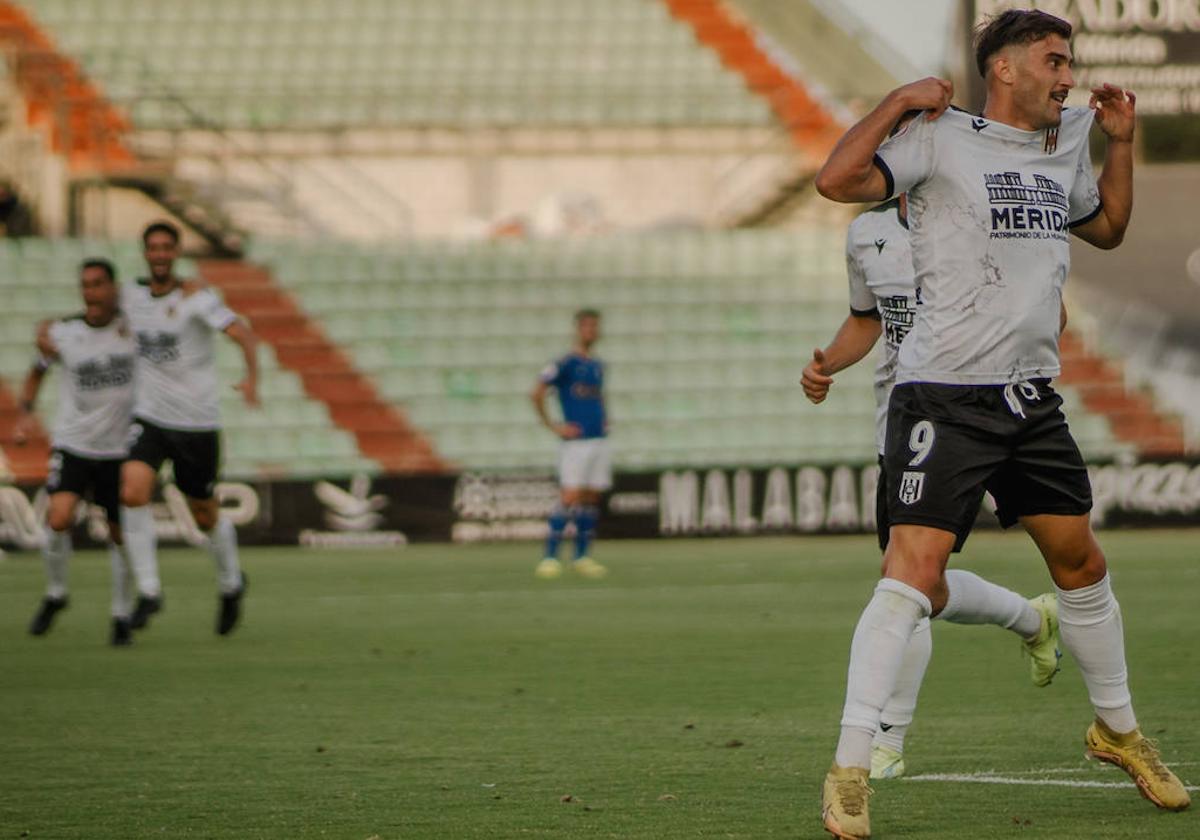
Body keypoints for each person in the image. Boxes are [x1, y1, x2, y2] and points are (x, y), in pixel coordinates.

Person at [812, 9, 1188, 837]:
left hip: (1030, 397)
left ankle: (1116, 731)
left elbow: (1111, 230)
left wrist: (1119, 141)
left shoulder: (1065, 142)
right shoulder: (939, 134)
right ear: (1007, 69)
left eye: (1071, 61)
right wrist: (897, 99)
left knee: (1080, 561)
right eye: (1056, 60)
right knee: (912, 572)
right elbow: (836, 180)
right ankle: (849, 768)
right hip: (944, 394)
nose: (1068, 74)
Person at [802, 193, 1063, 781]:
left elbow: (1048, 309)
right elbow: (868, 319)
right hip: (903, 428)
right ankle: (1032, 619)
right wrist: (826, 366)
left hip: (981, 414)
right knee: (919, 582)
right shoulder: (866, 233)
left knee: (906, 583)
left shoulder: (977, 218)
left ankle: (888, 739)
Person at [118, 221, 258, 635]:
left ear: (176, 253)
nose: (160, 254)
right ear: (145, 253)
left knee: (204, 515)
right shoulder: (132, 295)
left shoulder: (198, 299)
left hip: (196, 424)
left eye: (167, 247)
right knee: (132, 492)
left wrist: (253, 379)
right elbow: (96, 312)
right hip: (150, 418)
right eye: (153, 248)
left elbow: (242, 333)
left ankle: (231, 583)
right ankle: (149, 591)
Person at [18, 258, 137, 646]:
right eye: (85, 285)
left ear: (113, 287)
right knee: (57, 518)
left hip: (119, 450)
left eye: (99, 284)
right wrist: (25, 414)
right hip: (74, 444)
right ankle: (56, 593)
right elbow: (38, 370)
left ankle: (120, 614)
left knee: (121, 535)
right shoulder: (64, 332)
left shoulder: (132, 328)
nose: (91, 292)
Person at [531, 309, 609, 580]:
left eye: (595, 326)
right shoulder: (564, 363)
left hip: (598, 440)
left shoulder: (598, 365)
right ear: (577, 329)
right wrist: (553, 426)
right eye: (587, 326)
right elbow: (536, 393)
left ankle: (582, 557)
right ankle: (550, 558)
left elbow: (597, 398)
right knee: (570, 496)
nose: (591, 331)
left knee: (591, 498)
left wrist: (605, 419)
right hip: (575, 444)